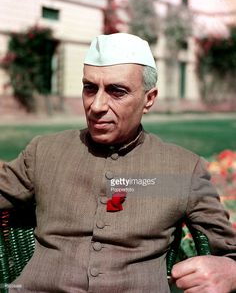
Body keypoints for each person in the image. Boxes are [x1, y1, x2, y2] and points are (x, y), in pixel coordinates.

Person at [0, 33, 235, 293]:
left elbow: (229, 251)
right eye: (90, 88)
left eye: (117, 91)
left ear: (149, 99)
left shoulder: (181, 169)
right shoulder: (44, 152)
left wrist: (231, 272)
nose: (97, 105)